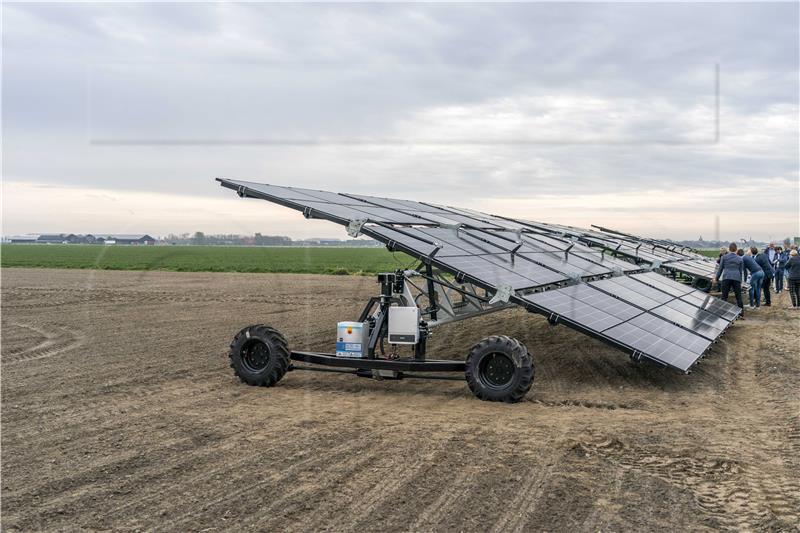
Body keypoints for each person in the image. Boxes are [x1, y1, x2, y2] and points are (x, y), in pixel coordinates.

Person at [714, 242, 744, 315]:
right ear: (736, 249)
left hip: (726, 277)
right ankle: (741, 313)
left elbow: (720, 269)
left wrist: (716, 279)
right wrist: (741, 281)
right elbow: (741, 271)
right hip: (736, 278)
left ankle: (722, 312)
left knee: (724, 296)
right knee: (738, 296)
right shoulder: (740, 259)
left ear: (729, 249)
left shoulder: (724, 257)